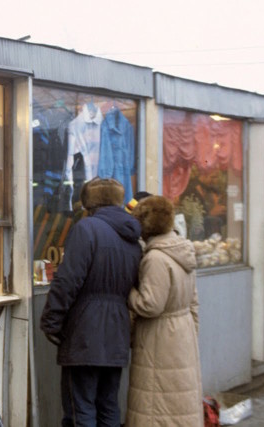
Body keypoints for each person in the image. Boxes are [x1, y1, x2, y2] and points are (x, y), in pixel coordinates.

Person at [40, 177, 142, 427]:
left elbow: (67, 281)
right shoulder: (133, 238)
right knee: (109, 407)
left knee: (80, 409)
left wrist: (51, 321)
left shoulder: (86, 230)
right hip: (117, 331)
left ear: (90, 203)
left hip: (85, 334)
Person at [126, 195, 203, 426]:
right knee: (178, 403)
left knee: (156, 405)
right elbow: (193, 301)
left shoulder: (156, 258)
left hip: (160, 338)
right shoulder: (183, 251)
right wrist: (191, 332)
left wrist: (128, 291)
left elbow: (151, 305)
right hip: (182, 334)